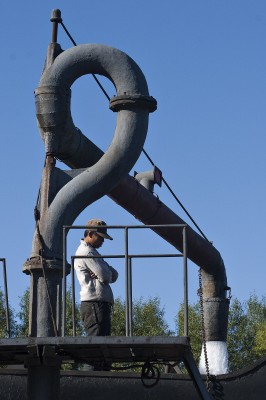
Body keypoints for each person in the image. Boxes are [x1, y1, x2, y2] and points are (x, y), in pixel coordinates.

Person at [74, 219, 118, 338]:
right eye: (100, 237)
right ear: (90, 234)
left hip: (98, 304)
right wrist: (107, 273)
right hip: (95, 304)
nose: (103, 241)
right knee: (97, 344)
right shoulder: (87, 253)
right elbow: (105, 276)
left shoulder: (93, 253)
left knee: (102, 343)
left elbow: (114, 274)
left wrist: (107, 273)